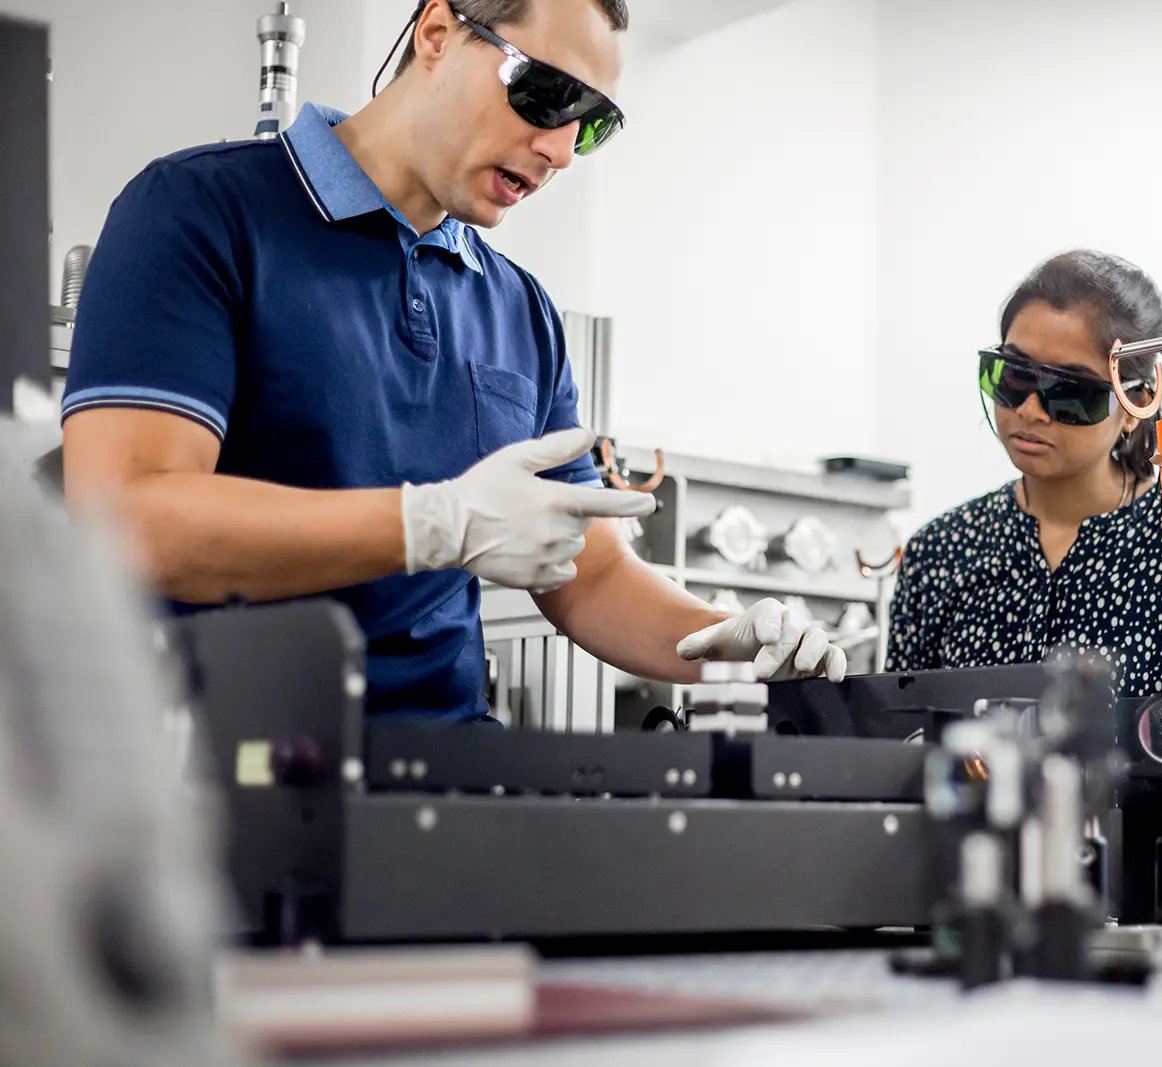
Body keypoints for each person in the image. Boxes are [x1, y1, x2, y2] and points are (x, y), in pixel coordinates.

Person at [60, 0, 845, 723]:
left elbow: (591, 574)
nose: (564, 150)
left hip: (444, 788)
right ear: (437, 32)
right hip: (224, 791)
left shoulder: (520, 311)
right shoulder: (198, 213)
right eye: (545, 95)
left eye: (592, 123)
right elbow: (129, 520)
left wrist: (730, 635)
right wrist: (429, 524)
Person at [886, 250, 1162, 698]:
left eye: (1069, 392)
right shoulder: (940, 551)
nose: (1029, 410)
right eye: (1013, 378)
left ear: (1137, 402)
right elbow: (900, 737)